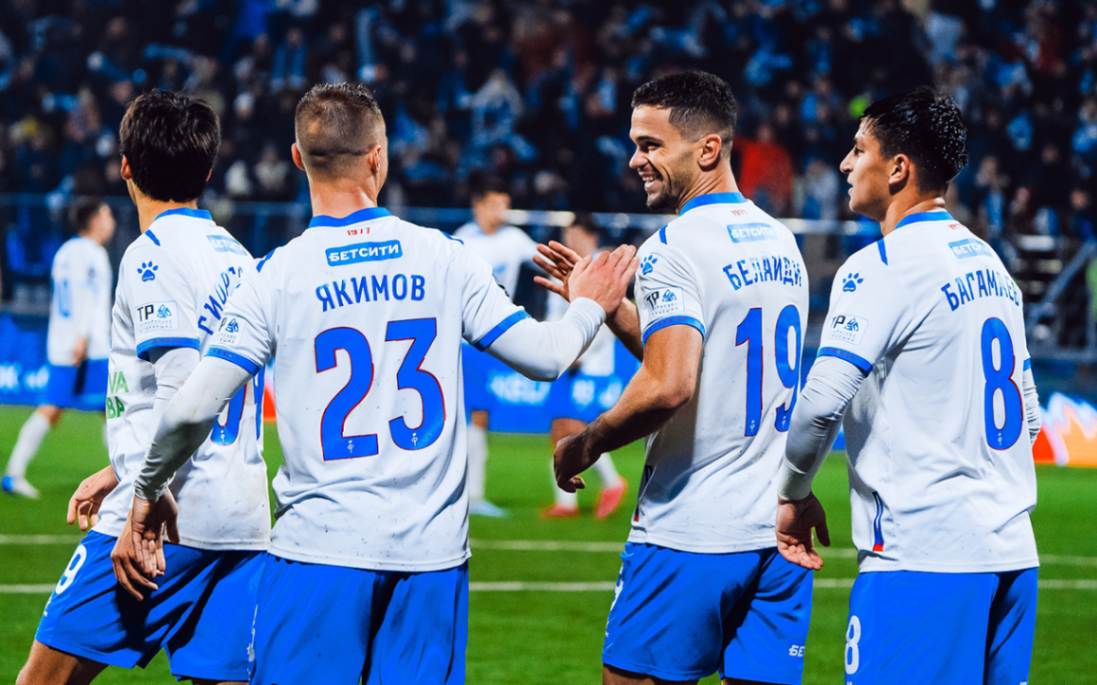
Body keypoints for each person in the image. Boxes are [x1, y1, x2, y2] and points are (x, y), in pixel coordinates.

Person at [111, 82, 636, 685]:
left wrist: (146, 491)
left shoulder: (275, 274)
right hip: (431, 559)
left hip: (317, 551)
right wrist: (590, 304)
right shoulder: (446, 256)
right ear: (379, 157)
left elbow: (189, 409)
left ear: (297, 158)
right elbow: (547, 357)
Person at [541, 71, 812, 684]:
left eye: (651, 145)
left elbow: (670, 383)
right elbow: (696, 357)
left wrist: (585, 445)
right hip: (774, 534)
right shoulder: (781, 241)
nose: (635, 160)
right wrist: (611, 307)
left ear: (708, 149)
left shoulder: (673, 247)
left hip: (690, 530)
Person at [774, 87, 1041, 684]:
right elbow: (1028, 417)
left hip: (924, 557)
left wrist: (792, 493)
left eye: (858, 149)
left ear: (897, 168)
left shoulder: (882, 267)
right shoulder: (992, 266)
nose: (845, 163)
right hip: (1013, 558)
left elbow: (819, 406)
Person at [16, 90, 269, 685]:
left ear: (125, 166)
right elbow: (203, 389)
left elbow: (183, 394)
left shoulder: (150, 254)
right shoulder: (240, 256)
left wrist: (142, 491)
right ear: (207, 172)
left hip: (165, 517)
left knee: (42, 680)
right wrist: (118, 466)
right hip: (241, 521)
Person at [3, 198, 115, 499]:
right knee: (111, 410)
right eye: (107, 215)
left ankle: (14, 473)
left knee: (59, 409)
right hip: (88, 347)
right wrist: (82, 338)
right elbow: (85, 298)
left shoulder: (65, 252)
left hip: (62, 342)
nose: (111, 221)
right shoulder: (93, 254)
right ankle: (124, 478)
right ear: (94, 220)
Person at [454, 176, 540, 517]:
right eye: (494, 204)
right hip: (465, 341)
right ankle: (471, 494)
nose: (501, 211)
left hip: (495, 338)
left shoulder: (514, 239)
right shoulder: (462, 241)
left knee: (480, 414)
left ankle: (472, 492)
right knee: (472, 414)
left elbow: (546, 260)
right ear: (477, 206)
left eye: (505, 204)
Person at [540, 215, 628, 519]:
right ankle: (567, 503)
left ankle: (612, 483)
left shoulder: (602, 266)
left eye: (573, 233)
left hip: (589, 366)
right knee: (559, 428)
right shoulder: (562, 268)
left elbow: (609, 318)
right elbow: (553, 314)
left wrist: (580, 353)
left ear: (589, 235)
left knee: (574, 427)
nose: (569, 239)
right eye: (567, 234)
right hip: (563, 361)